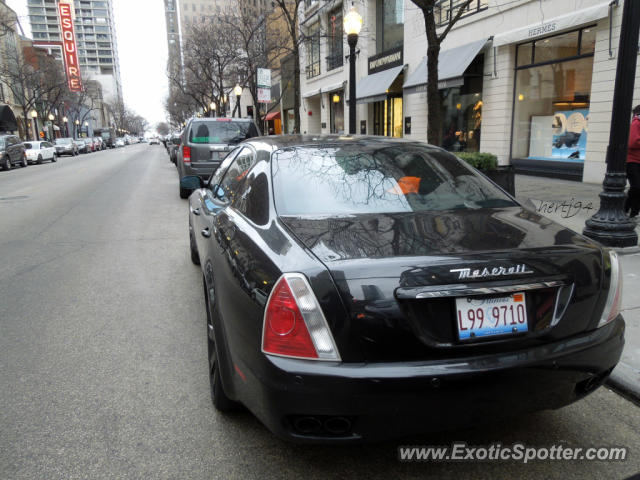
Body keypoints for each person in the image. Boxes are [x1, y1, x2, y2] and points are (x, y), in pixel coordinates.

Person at [625, 104, 640, 219]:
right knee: (636, 187)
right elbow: (632, 143)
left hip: (636, 161)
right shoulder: (636, 123)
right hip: (633, 161)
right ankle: (631, 212)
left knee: (636, 188)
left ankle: (629, 210)